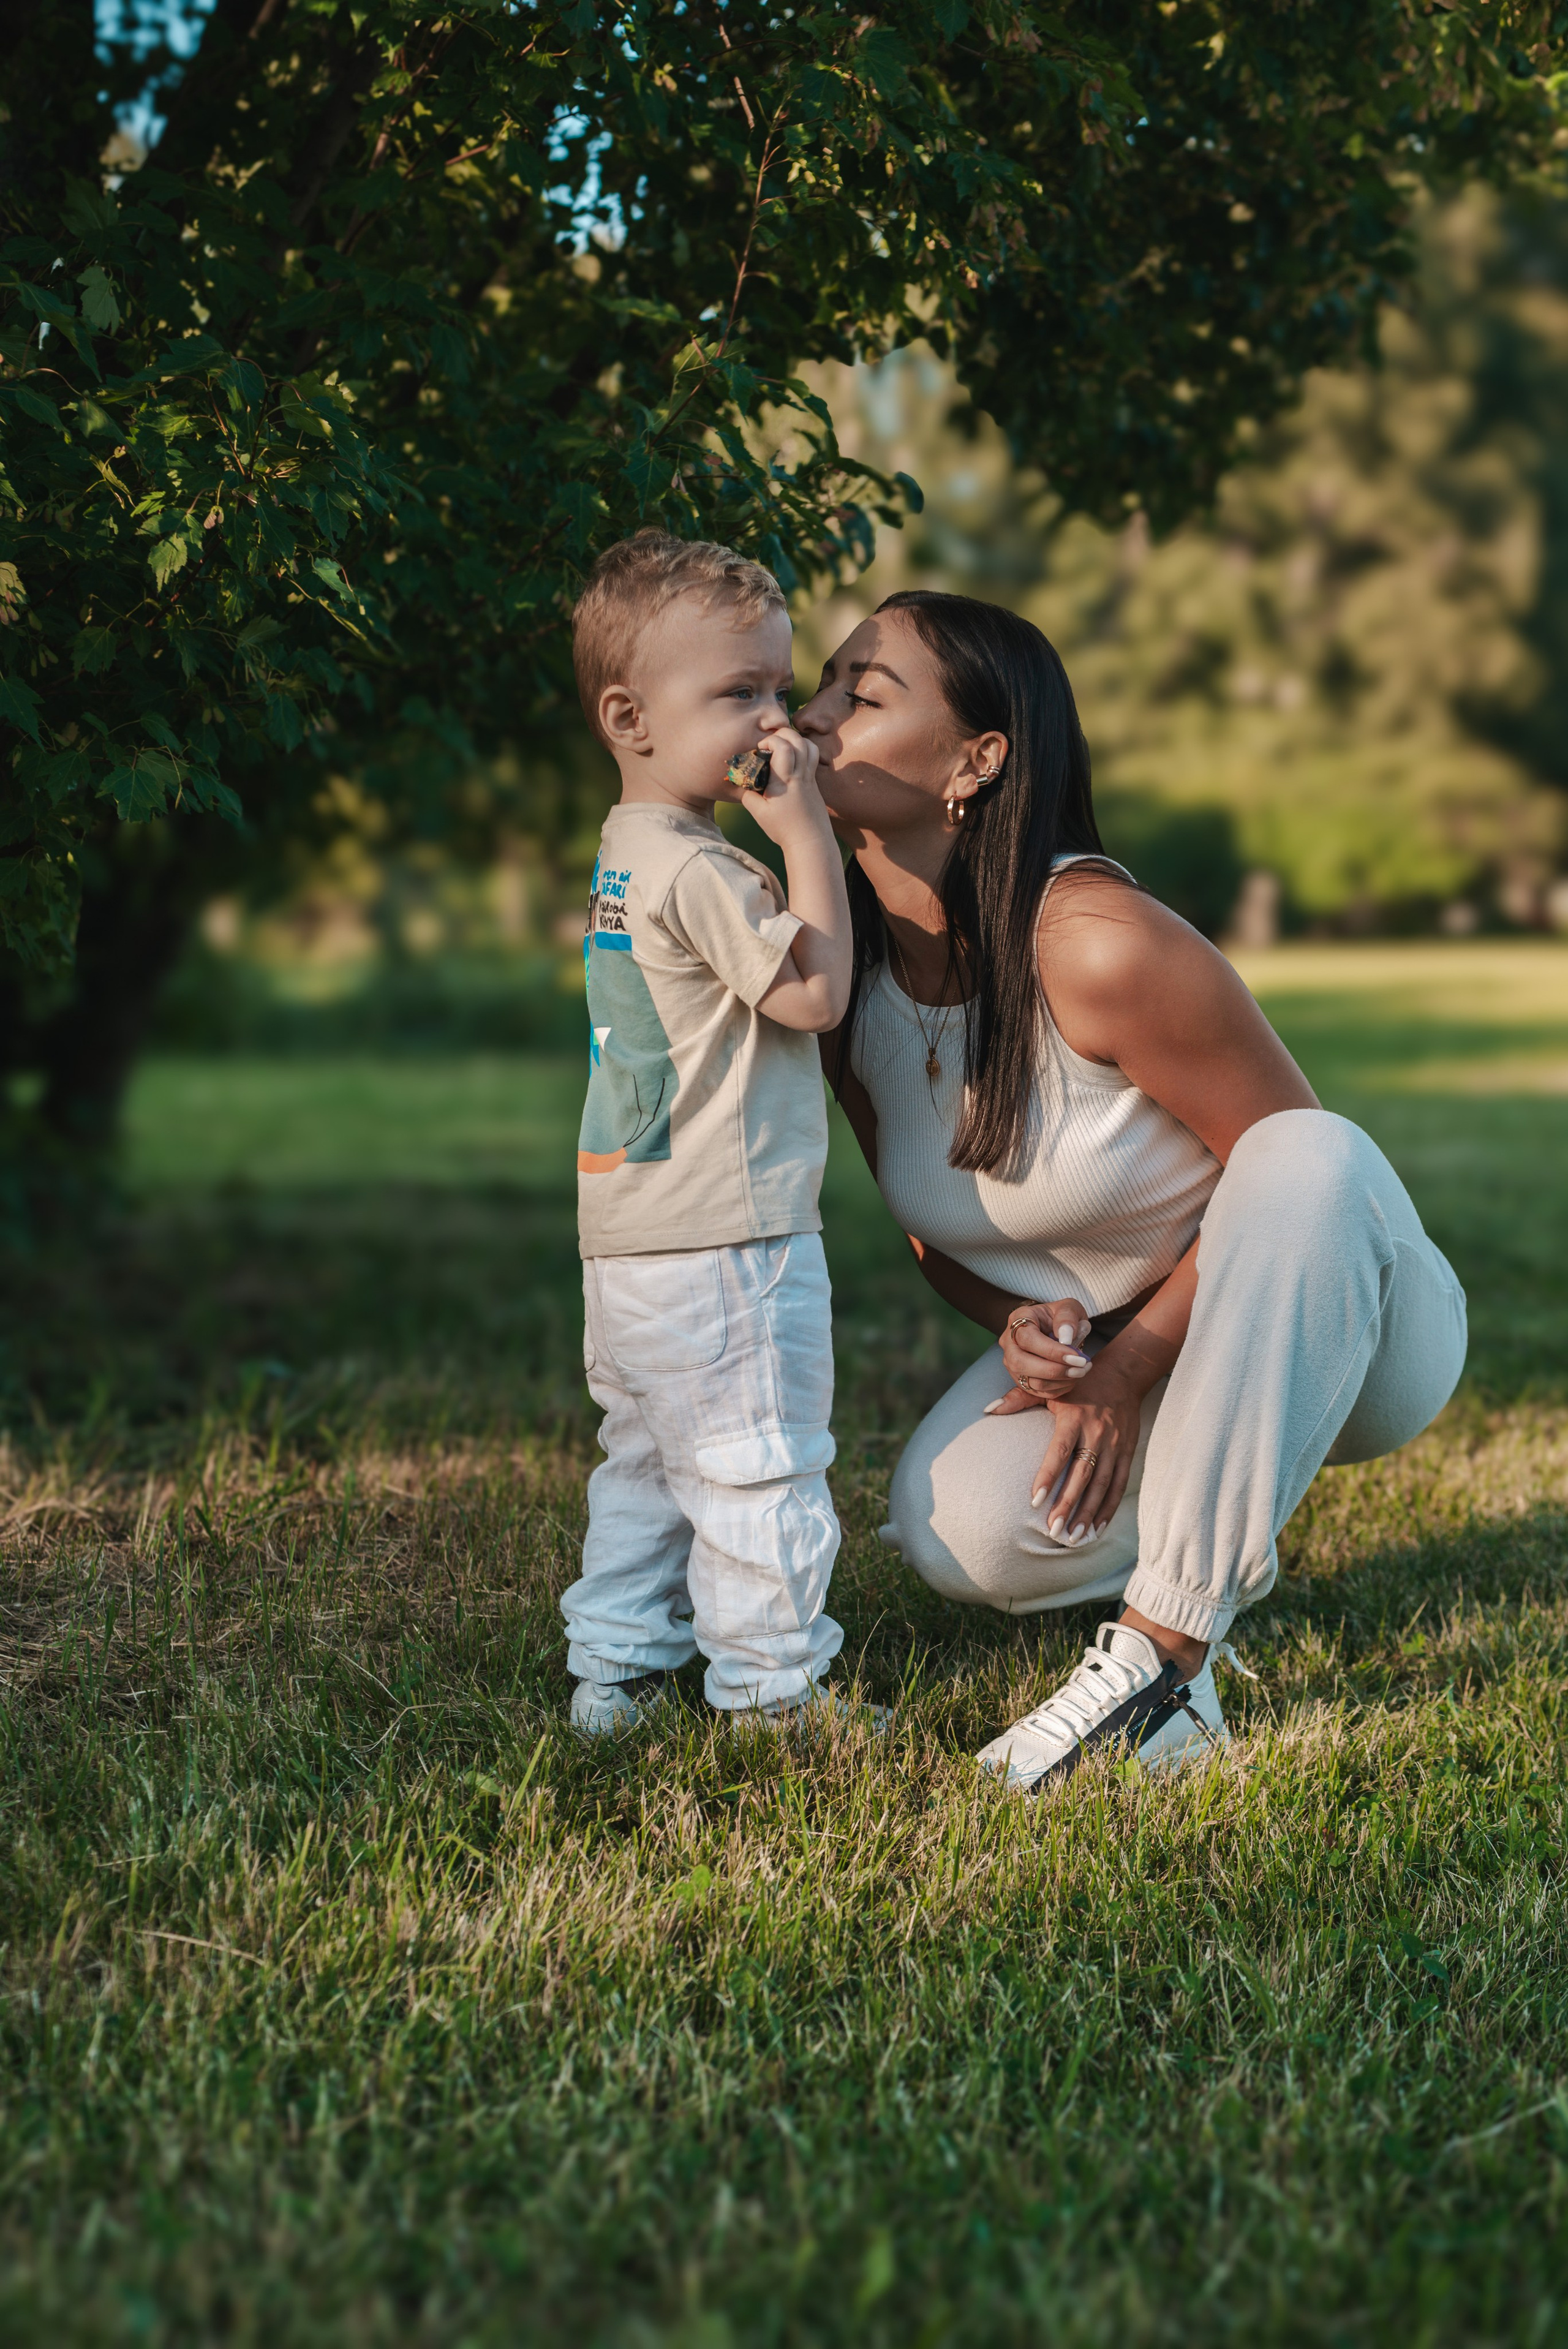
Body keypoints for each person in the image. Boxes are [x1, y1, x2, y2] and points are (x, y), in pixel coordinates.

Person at [795, 589, 1467, 1790]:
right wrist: (1022, 1328)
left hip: (1356, 1327)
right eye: (825, 682)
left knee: (1307, 1155)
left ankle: (1162, 1666)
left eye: (865, 690)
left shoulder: (1096, 940)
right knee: (960, 1529)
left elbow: (1299, 1175)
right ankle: (1213, 1525)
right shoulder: (839, 981)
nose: (818, 710)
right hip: (1133, 1341)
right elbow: (931, 1231)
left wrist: (1125, 1369)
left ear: (973, 761)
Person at [559, 532, 861, 1733]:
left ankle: (620, 1673)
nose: (776, 725)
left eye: (779, 689)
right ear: (629, 716)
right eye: (738, 693)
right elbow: (814, 996)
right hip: (726, 1236)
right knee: (757, 1462)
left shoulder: (627, 854)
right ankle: (774, 1694)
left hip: (631, 1234)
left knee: (645, 1461)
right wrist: (804, 841)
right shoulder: (705, 872)